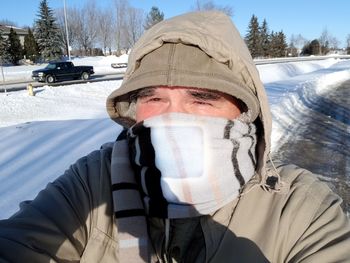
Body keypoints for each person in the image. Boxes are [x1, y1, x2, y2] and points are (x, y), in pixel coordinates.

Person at [0, 11, 349, 263]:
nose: (173, 117)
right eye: (153, 98)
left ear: (246, 111)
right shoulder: (94, 182)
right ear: (133, 109)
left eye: (203, 97)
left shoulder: (300, 209)